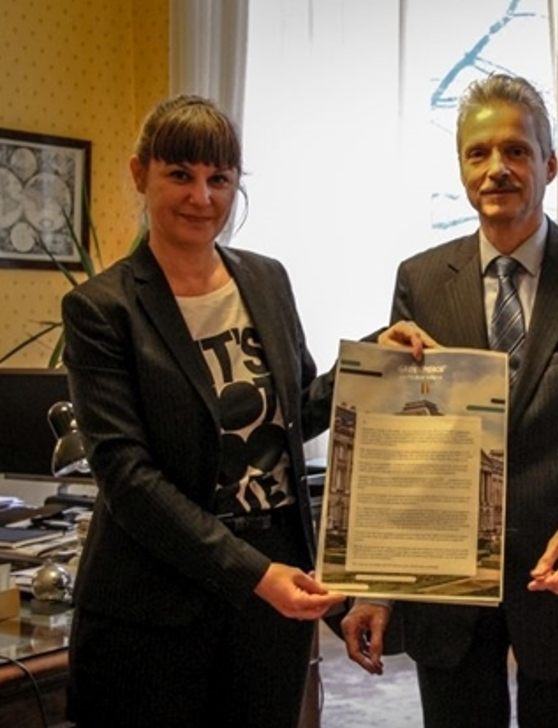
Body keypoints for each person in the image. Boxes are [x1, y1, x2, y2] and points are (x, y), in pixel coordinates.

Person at [339, 73, 558, 728]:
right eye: (479, 153)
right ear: (462, 169)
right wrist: (379, 587)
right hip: (447, 593)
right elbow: (404, 447)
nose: (497, 168)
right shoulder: (419, 279)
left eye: (516, 150)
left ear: (549, 164)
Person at [60, 94, 346, 728]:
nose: (202, 197)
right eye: (180, 174)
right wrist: (251, 574)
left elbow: (293, 416)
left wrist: (375, 363)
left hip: (274, 589)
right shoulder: (101, 309)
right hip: (155, 607)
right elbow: (128, 478)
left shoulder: (267, 280)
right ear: (140, 174)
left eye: (220, 178)